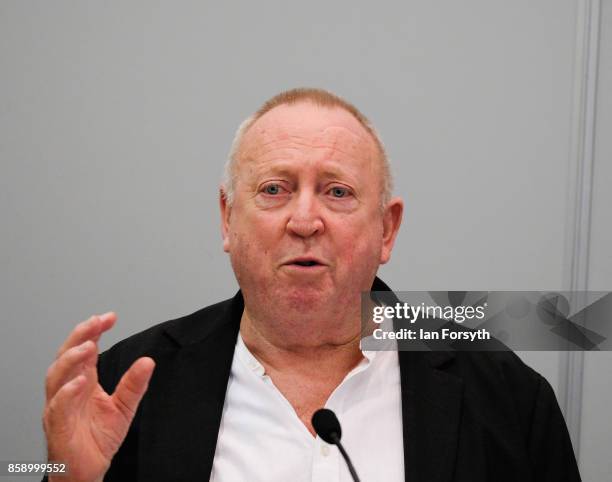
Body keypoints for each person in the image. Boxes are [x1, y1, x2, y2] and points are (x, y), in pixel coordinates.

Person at [42, 88, 581, 482]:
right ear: (227, 219)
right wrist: (63, 475)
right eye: (275, 189)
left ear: (386, 229)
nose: (305, 220)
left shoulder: (508, 396)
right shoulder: (129, 379)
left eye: (338, 192)